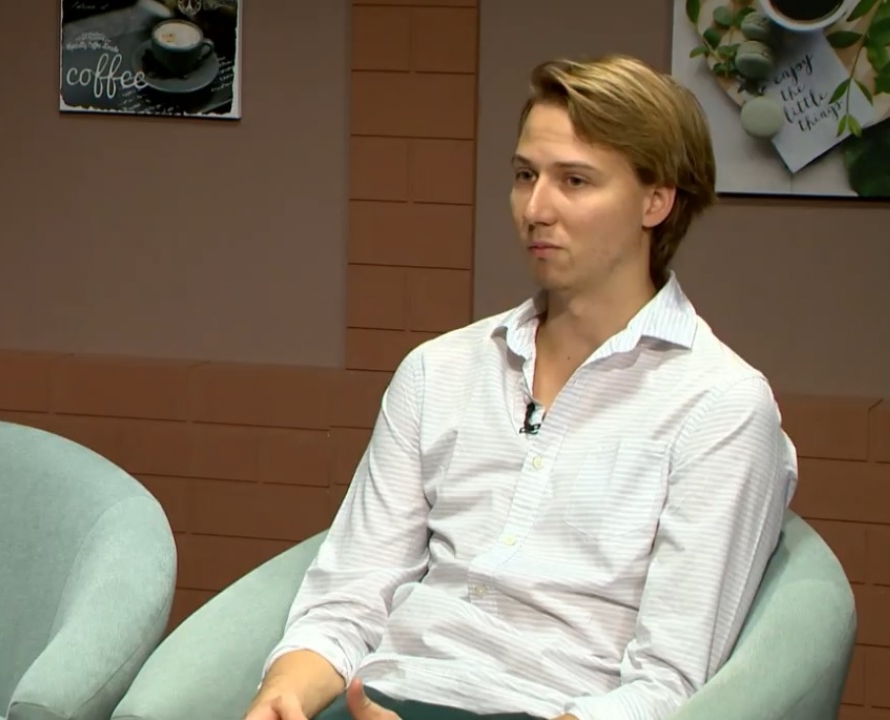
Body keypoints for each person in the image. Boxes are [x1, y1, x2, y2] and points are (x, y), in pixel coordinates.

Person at [243, 53, 799, 720]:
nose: (536, 209)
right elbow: (348, 600)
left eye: (575, 181)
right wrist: (284, 695)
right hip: (380, 699)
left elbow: (669, 685)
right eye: (525, 176)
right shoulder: (439, 371)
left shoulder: (720, 405)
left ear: (656, 200)